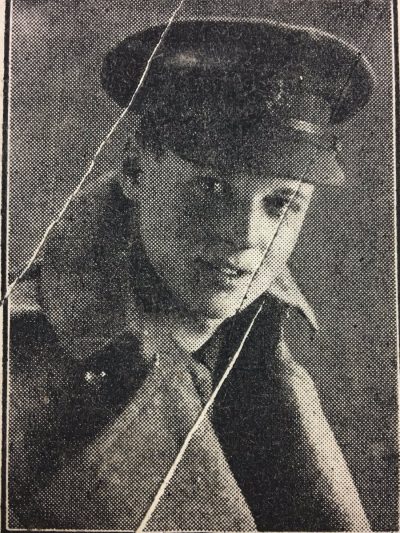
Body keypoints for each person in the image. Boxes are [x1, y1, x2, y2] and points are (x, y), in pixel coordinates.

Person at [8, 19, 374, 531]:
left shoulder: (257, 352)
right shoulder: (22, 366)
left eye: (281, 203)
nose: (245, 235)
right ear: (135, 171)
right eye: (211, 188)